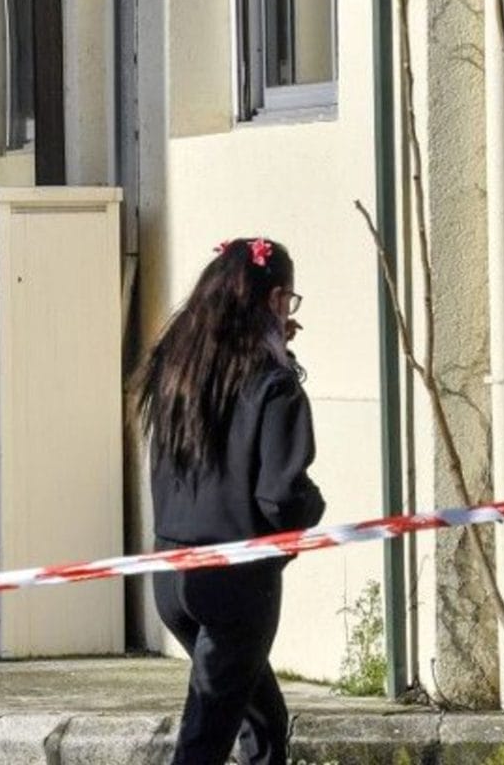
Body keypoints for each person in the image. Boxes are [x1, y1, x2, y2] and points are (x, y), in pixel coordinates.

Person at [137, 237, 326, 765]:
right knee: (204, 739)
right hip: (236, 579)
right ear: (274, 300)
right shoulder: (275, 386)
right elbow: (282, 498)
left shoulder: (177, 372)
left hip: (171, 572)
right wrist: (313, 511)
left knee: (261, 718)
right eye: (288, 301)